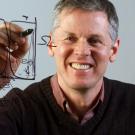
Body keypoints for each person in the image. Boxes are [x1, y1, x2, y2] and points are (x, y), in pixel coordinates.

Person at [0, 0, 135, 134]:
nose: (81, 51)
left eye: (94, 40)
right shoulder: (18, 109)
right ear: (51, 45)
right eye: (70, 38)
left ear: (114, 50)